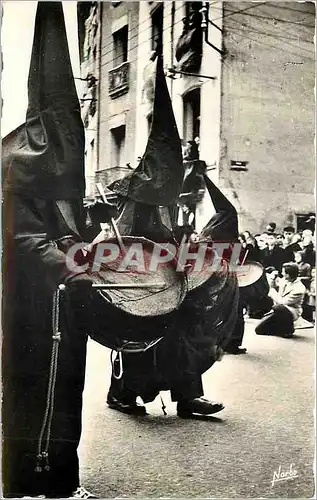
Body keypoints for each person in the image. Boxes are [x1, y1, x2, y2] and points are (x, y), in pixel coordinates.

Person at [2, 4, 96, 497]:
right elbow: (21, 237)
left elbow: (70, 231)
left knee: (67, 392)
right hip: (29, 308)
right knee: (31, 389)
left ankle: (60, 479)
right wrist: (71, 263)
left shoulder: (63, 175)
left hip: (65, 305)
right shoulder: (19, 166)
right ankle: (23, 481)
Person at [255, 262, 306, 338]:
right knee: (259, 330)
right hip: (279, 310)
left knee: (278, 307)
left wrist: (272, 290)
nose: (281, 273)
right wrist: (273, 279)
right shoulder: (285, 280)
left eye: (283, 272)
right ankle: (281, 329)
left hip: (291, 310)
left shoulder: (299, 288)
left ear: (288, 275)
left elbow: (282, 302)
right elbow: (274, 285)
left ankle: (288, 328)